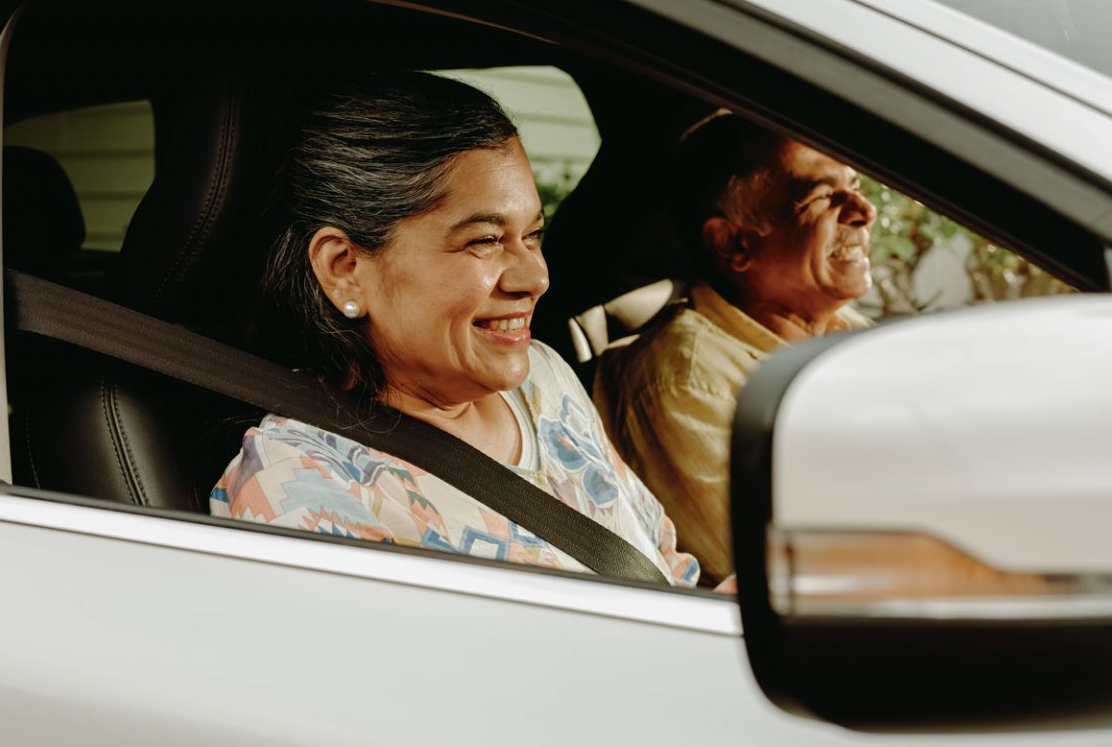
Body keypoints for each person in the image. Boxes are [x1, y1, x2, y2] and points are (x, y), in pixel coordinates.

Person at [210, 72, 715, 589]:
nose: (536, 278)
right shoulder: (301, 488)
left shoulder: (543, 379)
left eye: (533, 235)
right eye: (485, 240)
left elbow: (669, 577)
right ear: (345, 268)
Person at [593, 113, 875, 578]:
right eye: (823, 195)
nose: (865, 210)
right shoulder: (684, 381)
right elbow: (794, 574)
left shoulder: (842, 329)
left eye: (856, 184)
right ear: (732, 243)